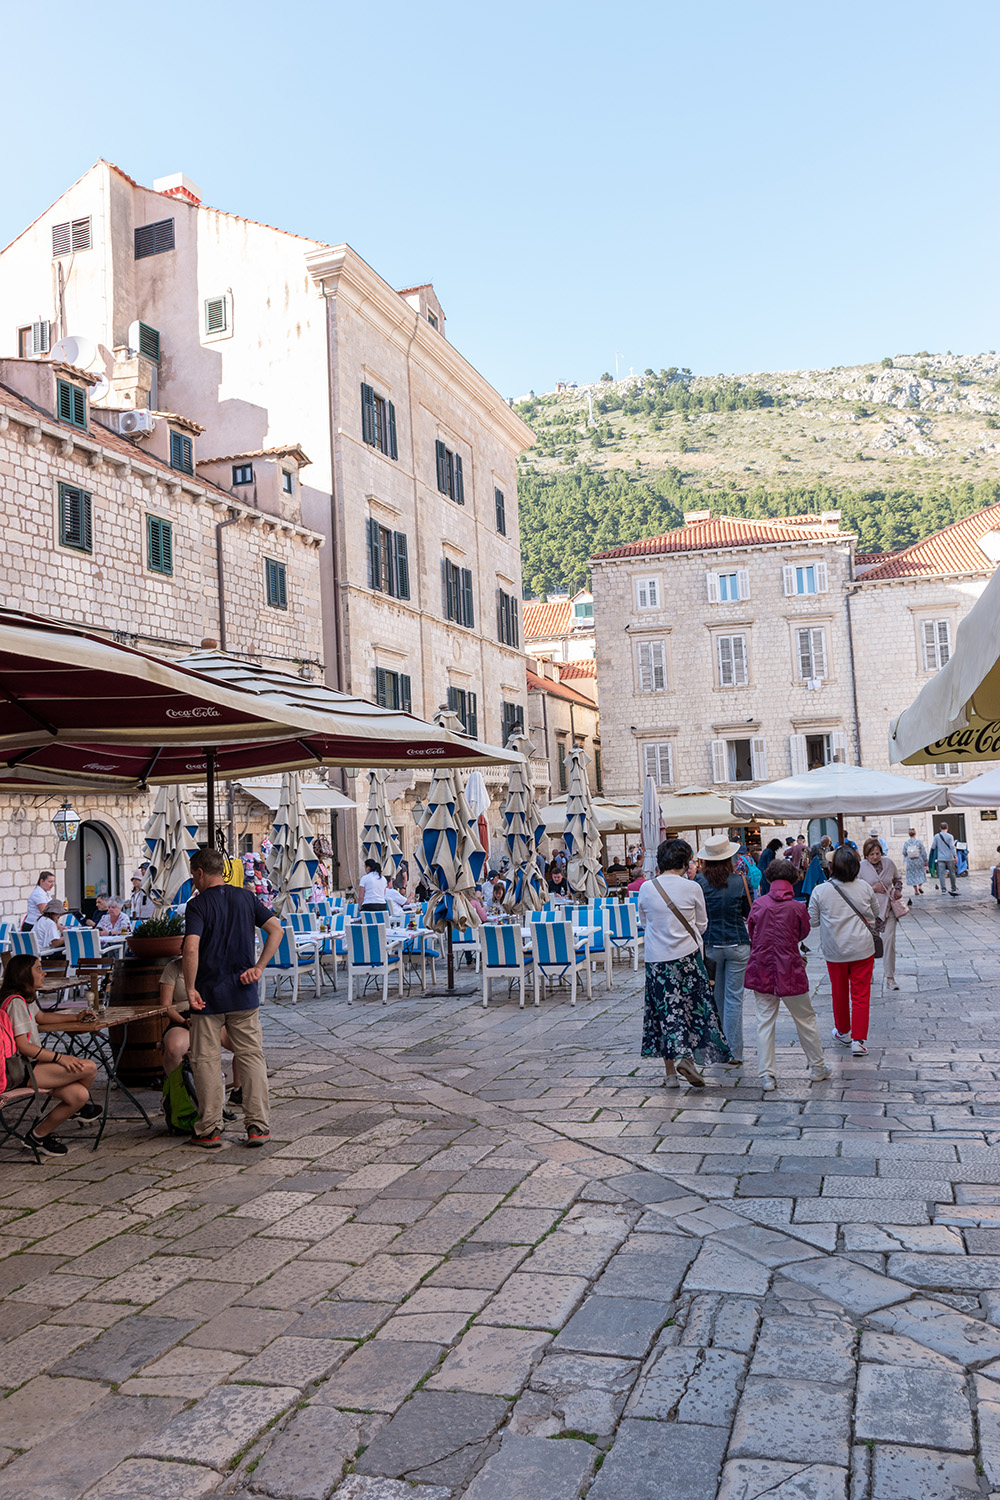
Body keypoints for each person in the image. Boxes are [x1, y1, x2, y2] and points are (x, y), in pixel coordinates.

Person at [182, 847, 283, 1149]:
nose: (193, 880)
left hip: (207, 996)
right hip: (243, 992)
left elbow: (190, 948)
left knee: (207, 1062)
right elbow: (276, 930)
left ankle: (210, 1129)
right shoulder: (246, 897)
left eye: (193, 875)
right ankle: (258, 1127)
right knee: (251, 1057)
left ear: (200, 873)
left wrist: (189, 988)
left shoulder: (197, 905)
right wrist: (259, 967)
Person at [636, 839, 731, 1088]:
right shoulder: (692, 888)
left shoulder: (646, 888)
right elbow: (702, 924)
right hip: (687, 957)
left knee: (664, 1013)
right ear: (683, 863)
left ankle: (670, 1075)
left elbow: (644, 923)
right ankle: (689, 1059)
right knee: (692, 1010)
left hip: (657, 961)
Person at [0, 954, 101, 1156]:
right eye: (38, 969)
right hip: (20, 1070)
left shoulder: (25, 999)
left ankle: (37, 1136)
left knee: (79, 1095)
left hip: (32, 1067)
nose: (43, 972)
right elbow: (24, 1047)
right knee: (88, 1067)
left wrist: (76, 1017)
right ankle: (79, 1111)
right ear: (24, 974)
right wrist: (59, 1058)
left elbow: (42, 1017)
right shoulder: (16, 1003)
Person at [745, 859, 831, 1091]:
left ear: (770, 879)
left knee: (764, 1021)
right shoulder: (797, 907)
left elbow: (752, 932)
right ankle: (818, 1066)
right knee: (805, 1019)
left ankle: (767, 1075)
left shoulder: (759, 905)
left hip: (762, 968)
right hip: (790, 968)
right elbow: (803, 932)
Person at [808, 845, 879, 1057]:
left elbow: (812, 922)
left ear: (832, 867)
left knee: (839, 992)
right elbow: (875, 913)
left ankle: (842, 1031)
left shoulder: (820, 890)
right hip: (862, 948)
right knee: (861, 994)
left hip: (835, 950)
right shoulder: (865, 887)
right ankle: (859, 1040)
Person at [695, 835, 751, 1065]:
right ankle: (735, 1053)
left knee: (716, 999)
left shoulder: (699, 882)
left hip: (711, 945)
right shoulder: (741, 881)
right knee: (734, 999)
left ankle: (719, 1049)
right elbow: (748, 911)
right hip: (738, 943)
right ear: (730, 857)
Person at [158, 959, 240, 1102]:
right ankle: (179, 1096)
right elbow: (166, 1006)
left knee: (242, 1043)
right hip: (183, 1018)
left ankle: (239, 1090)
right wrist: (183, 1021)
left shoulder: (212, 964)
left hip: (210, 1016)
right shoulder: (173, 968)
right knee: (173, 1048)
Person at [859, 838, 903, 991]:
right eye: (871, 854)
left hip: (888, 910)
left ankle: (890, 978)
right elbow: (857, 889)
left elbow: (898, 879)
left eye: (877, 853)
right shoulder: (861, 867)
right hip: (869, 912)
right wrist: (873, 888)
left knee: (889, 943)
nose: (875, 857)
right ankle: (868, 974)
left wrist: (897, 890)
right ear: (866, 854)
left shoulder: (889, 863)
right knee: (869, 944)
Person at [931, 824, 958, 896]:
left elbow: (933, 846)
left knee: (941, 874)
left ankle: (943, 889)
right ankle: (953, 888)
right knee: (952, 873)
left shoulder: (936, 836)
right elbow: (952, 847)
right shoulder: (950, 836)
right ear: (947, 828)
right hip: (949, 857)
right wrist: (955, 856)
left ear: (940, 828)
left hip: (940, 857)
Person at [901, 829, 928, 897]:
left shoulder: (906, 843)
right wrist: (925, 860)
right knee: (920, 874)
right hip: (919, 861)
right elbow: (923, 852)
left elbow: (904, 852)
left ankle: (915, 890)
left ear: (909, 834)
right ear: (915, 834)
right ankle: (920, 886)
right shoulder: (919, 842)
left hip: (910, 861)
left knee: (912, 875)